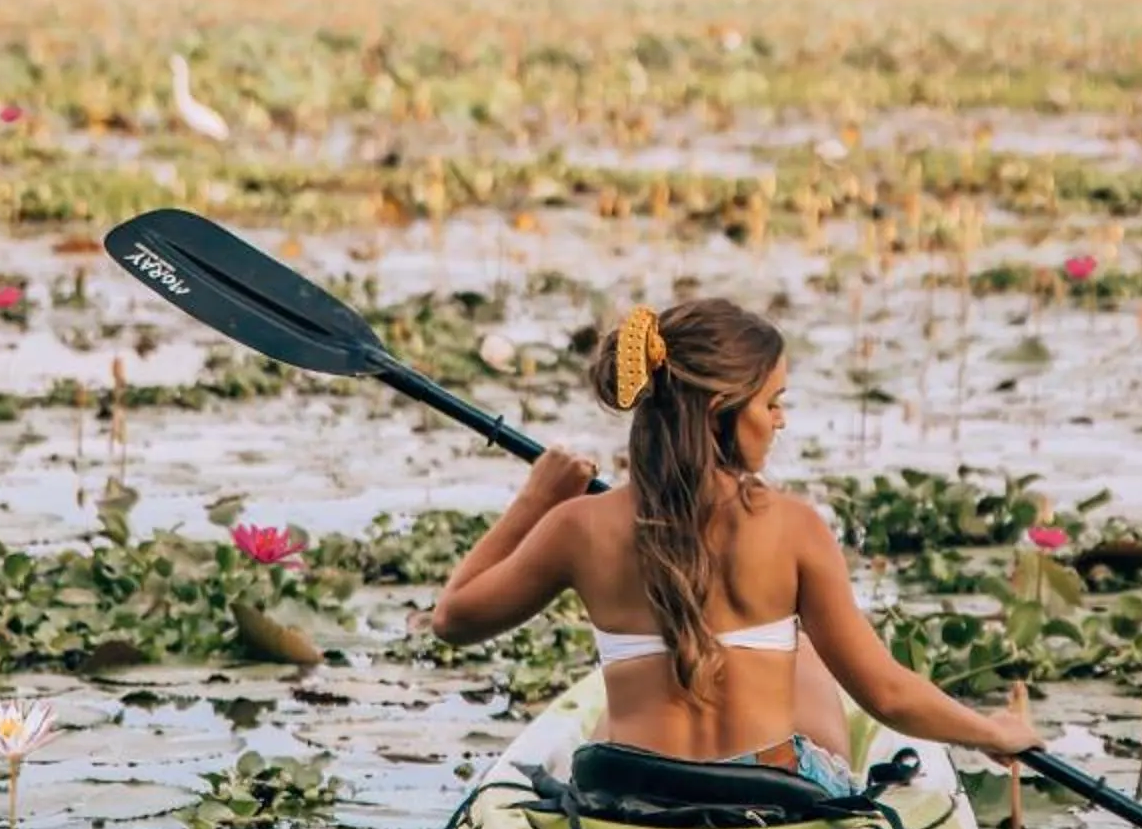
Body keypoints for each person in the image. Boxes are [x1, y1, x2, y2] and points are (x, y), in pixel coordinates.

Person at [429, 294, 1039, 790]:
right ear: (724, 406)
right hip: (767, 797)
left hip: (629, 793)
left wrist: (537, 500)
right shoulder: (794, 527)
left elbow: (453, 619)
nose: (781, 420)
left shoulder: (577, 526)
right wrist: (991, 732)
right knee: (808, 656)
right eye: (772, 403)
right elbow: (885, 693)